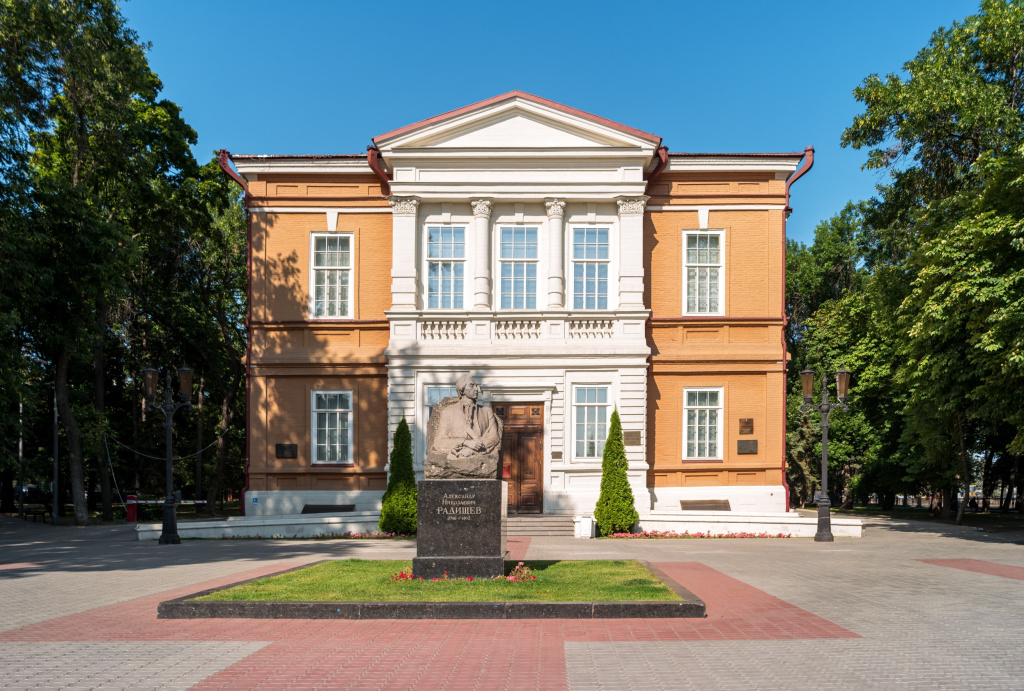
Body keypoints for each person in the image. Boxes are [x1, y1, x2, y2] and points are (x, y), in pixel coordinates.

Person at [430, 375, 501, 461]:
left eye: (476, 386)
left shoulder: (487, 412)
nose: (477, 389)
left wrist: (472, 449)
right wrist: (465, 442)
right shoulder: (447, 412)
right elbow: (439, 442)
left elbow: (494, 437)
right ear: (462, 390)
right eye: (472, 385)